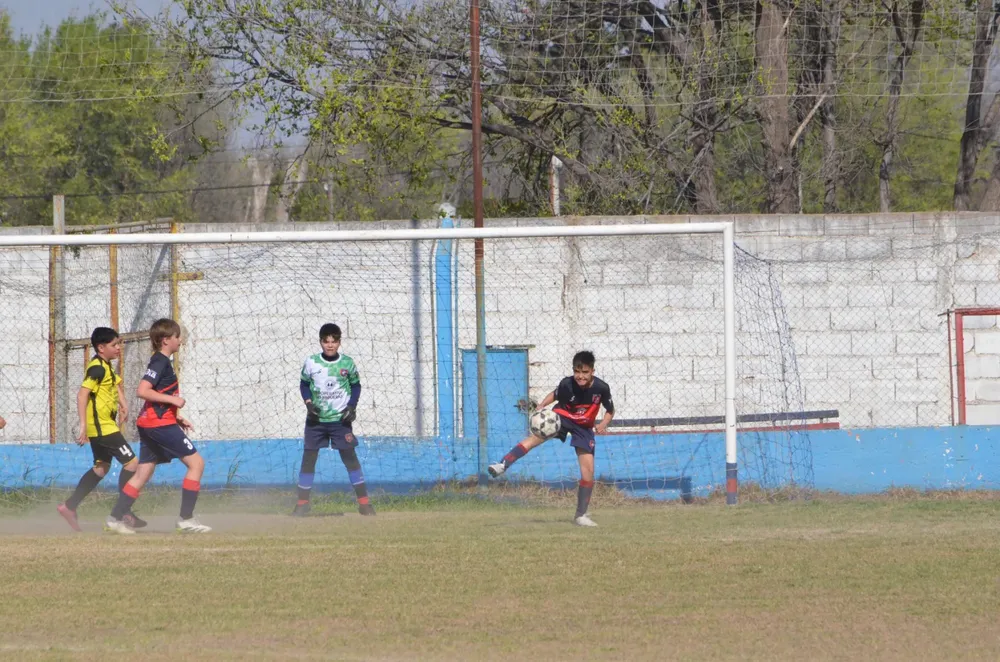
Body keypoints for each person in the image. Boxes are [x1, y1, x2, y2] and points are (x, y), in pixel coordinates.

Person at [105, 318, 211, 534]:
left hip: (153, 422)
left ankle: (115, 519)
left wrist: (176, 416)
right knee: (196, 464)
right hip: (158, 425)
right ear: (165, 340)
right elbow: (143, 390)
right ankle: (186, 519)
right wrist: (173, 402)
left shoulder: (162, 361)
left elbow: (156, 396)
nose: (180, 341)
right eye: (177, 337)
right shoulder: (160, 362)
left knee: (143, 473)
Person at [488, 350, 614, 527]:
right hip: (562, 417)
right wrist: (541, 406)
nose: (580, 376)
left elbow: (610, 410)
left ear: (592, 371)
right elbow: (554, 395)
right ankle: (503, 464)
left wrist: (603, 424)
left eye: (585, 372)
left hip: (584, 427)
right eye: (577, 372)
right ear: (573, 370)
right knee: (535, 438)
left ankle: (580, 516)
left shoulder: (601, 388)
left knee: (588, 471)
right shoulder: (566, 384)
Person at [57, 327, 145, 531]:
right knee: (132, 463)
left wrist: (123, 404)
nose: (119, 348)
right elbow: (82, 395)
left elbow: (114, 384)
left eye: (119, 344)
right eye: (115, 345)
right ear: (101, 347)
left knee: (101, 468)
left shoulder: (106, 366)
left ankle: (70, 506)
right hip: (103, 428)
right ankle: (123, 512)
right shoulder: (96, 368)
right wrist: (83, 426)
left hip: (106, 427)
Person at [292, 322, 373, 517]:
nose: (330, 345)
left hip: (340, 421)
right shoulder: (311, 362)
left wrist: (352, 406)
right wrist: (309, 403)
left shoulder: (347, 363)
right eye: (326, 341)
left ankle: (364, 504)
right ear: (321, 342)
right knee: (308, 460)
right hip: (316, 420)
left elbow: (356, 386)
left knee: (350, 460)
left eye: (333, 341)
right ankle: (302, 504)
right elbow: (304, 385)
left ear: (339, 342)